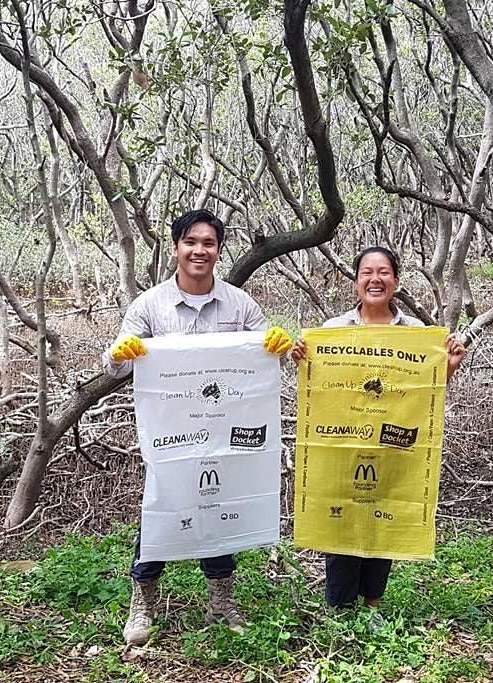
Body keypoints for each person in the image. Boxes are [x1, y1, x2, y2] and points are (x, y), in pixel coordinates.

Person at [103, 209, 292, 646]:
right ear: (175, 248)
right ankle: (143, 601)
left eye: (208, 243)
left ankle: (221, 600)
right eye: (191, 242)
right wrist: (121, 353)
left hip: (226, 431)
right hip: (171, 435)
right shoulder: (148, 305)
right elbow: (112, 367)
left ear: (219, 251)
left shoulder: (240, 304)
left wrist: (277, 346)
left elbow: (266, 354)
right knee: (161, 510)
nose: (199, 251)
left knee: (217, 509)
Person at [290, 246, 465, 612]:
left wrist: (448, 365)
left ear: (396, 281)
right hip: (343, 441)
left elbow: (426, 390)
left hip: (394, 443)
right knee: (342, 517)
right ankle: (338, 606)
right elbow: (319, 386)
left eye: (384, 272)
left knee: (381, 512)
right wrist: (302, 358)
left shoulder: (417, 333)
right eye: (367, 272)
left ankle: (373, 601)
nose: (375, 279)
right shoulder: (333, 331)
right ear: (356, 282)